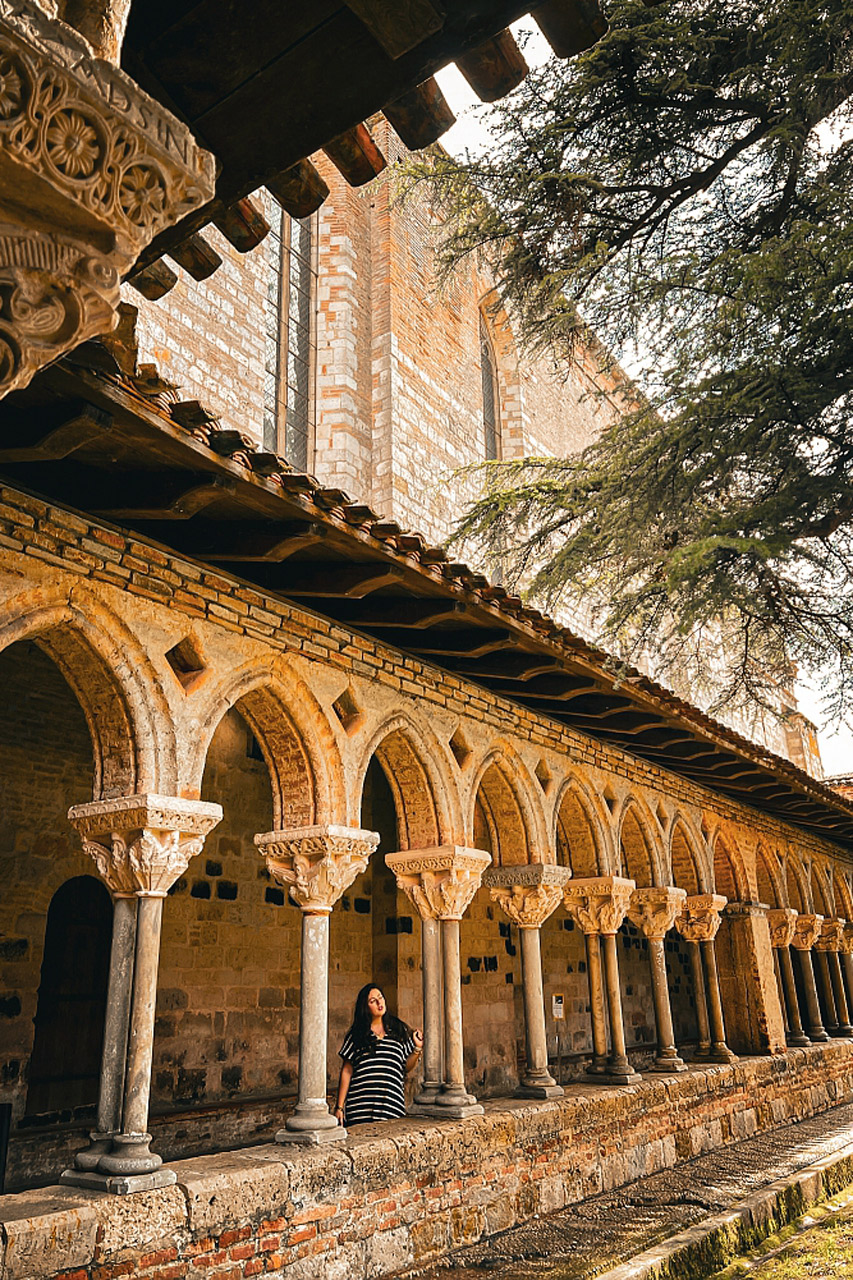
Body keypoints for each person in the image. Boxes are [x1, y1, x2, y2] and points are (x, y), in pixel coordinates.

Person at [334, 984, 424, 1126]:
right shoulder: (356, 1035)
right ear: (365, 1007)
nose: (379, 1003)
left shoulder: (398, 1031)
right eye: (372, 1001)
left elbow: (405, 1067)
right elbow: (347, 1070)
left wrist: (417, 1049)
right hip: (360, 1110)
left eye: (380, 998)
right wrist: (339, 1107)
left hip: (391, 1109)